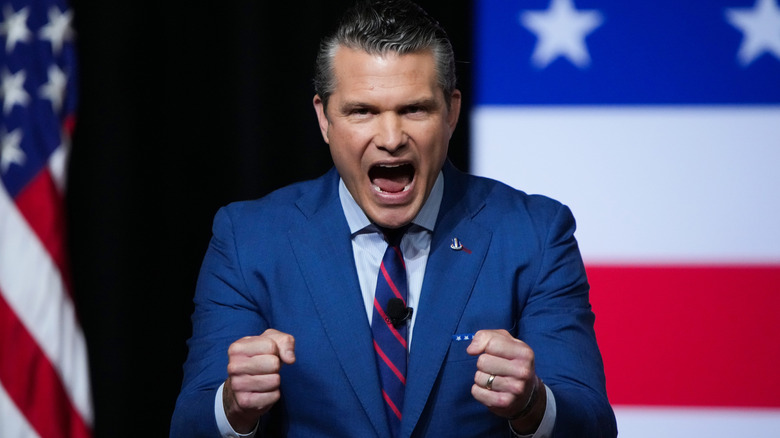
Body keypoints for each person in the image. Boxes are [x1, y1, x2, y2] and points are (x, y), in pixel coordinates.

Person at [170, 1, 617, 437]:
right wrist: (234, 406)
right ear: (324, 118)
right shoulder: (249, 240)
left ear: (451, 112)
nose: (390, 138)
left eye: (414, 109)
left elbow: (594, 424)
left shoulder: (535, 235)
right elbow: (190, 423)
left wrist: (533, 404)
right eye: (362, 111)